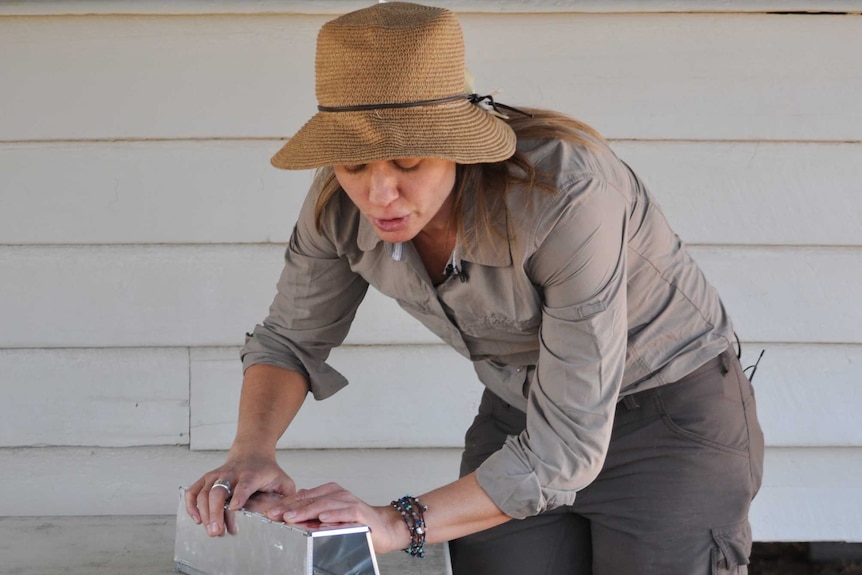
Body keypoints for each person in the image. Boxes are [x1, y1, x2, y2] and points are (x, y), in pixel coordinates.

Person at [184, 2, 764, 573]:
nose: (379, 194)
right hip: (522, 413)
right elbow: (289, 340)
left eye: (407, 161)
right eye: (354, 163)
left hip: (667, 421)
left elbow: (565, 449)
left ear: (457, 144)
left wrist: (395, 522)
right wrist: (251, 453)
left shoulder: (567, 196)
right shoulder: (338, 205)